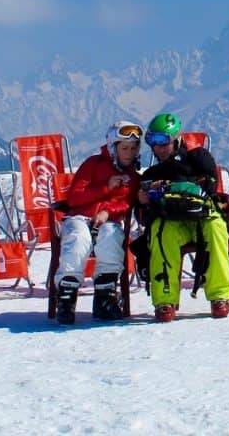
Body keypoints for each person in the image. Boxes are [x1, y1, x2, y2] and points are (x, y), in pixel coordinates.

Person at [137, 113, 229, 323]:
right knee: (160, 231)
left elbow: (211, 187)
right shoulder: (151, 174)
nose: (158, 147)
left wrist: (170, 185)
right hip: (172, 221)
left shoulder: (199, 158)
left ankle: (220, 296)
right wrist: (143, 200)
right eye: (153, 141)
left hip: (201, 217)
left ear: (175, 138)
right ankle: (164, 300)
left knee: (216, 228)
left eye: (163, 141)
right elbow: (141, 214)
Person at [54, 121, 142, 325]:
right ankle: (66, 297)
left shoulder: (133, 177)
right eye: (124, 148)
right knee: (78, 239)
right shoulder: (93, 164)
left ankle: (105, 297)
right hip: (79, 217)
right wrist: (105, 187)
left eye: (133, 148)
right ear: (113, 147)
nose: (129, 153)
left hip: (108, 221)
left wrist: (107, 212)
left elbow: (126, 204)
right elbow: (74, 198)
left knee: (111, 238)